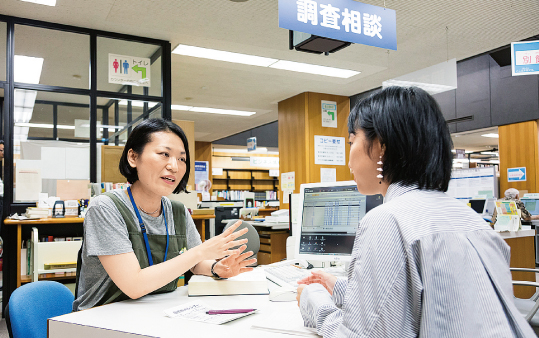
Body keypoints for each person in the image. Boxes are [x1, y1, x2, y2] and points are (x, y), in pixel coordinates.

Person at [296, 87, 534, 337]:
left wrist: (315, 302)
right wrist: (340, 287)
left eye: (352, 141)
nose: (349, 161)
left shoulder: (387, 220)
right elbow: (443, 302)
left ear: (381, 146)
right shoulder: (470, 220)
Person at [73, 119, 256, 311]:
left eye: (181, 159)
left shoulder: (177, 211)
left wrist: (216, 268)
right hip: (100, 318)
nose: (174, 166)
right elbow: (134, 285)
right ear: (133, 157)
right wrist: (201, 251)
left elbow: (196, 263)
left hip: (153, 311)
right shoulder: (106, 208)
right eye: (164, 154)